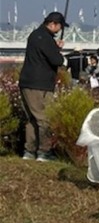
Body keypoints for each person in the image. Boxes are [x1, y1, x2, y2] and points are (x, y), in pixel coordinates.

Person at [18, 11, 69, 162]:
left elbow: (44, 55)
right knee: (44, 119)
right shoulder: (45, 38)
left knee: (32, 119)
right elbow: (56, 60)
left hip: (27, 82)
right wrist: (58, 52)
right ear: (52, 24)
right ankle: (43, 152)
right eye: (59, 27)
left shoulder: (36, 36)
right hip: (40, 84)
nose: (59, 30)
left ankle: (29, 151)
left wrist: (54, 46)